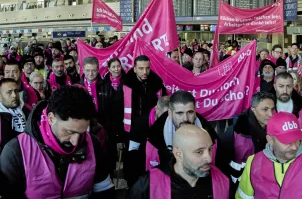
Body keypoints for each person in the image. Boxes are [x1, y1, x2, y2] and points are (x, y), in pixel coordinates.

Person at [0, 86, 116, 199]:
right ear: (51, 118)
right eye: (69, 132)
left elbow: (105, 191)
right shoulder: (16, 151)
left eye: (82, 132)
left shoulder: (93, 144)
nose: (76, 141)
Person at [145, 90, 223, 175]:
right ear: (170, 113)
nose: (185, 119)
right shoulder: (154, 138)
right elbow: (153, 173)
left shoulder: (211, 138)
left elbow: (213, 170)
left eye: (190, 112)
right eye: (179, 113)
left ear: (195, 111)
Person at [118, 55, 166, 188]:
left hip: (152, 130)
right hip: (131, 131)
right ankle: (132, 186)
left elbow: (164, 105)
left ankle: (151, 184)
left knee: (151, 158)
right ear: (134, 69)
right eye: (141, 68)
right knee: (132, 160)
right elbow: (116, 109)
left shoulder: (157, 84)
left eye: (147, 68)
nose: (144, 72)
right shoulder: (125, 85)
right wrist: (120, 134)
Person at [228, 92, 275, 183]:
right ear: (253, 109)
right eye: (265, 109)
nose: (271, 114)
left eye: (272, 109)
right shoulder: (243, 138)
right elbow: (237, 170)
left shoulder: (267, 123)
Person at [274, 72, 302, 141]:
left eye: (289, 86)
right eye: (281, 86)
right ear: (275, 86)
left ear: (293, 86)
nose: (285, 91)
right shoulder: (267, 107)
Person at [80, 57, 115, 132]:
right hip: (83, 128)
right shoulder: (77, 87)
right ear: (83, 70)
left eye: (93, 70)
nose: (90, 73)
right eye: (87, 70)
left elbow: (113, 111)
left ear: (98, 70)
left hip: (104, 127)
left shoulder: (107, 86)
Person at [0, 78, 31, 151]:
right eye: (9, 92)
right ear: (0, 97)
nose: (14, 95)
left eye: (16, 91)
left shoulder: (27, 109)